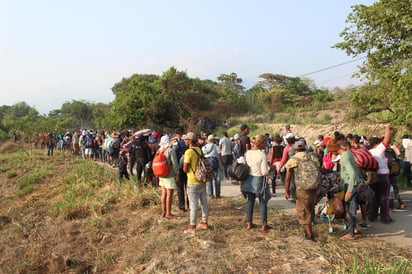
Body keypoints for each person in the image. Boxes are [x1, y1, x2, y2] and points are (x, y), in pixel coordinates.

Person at [326, 138, 361, 240]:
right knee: (351, 209)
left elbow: (352, 173)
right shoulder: (347, 153)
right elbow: (349, 171)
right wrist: (337, 175)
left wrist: (349, 191)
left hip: (351, 185)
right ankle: (354, 229)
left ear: (333, 150)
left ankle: (350, 234)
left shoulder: (344, 157)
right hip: (350, 184)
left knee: (350, 211)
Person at [284, 140, 319, 241]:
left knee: (303, 210)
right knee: (311, 207)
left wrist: (287, 191)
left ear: (295, 150)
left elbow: (288, 178)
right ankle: (311, 226)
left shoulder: (294, 159)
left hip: (302, 188)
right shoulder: (312, 157)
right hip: (314, 186)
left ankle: (309, 234)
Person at [243, 135, 271, 232]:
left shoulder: (248, 153)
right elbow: (264, 172)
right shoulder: (262, 154)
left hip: (249, 179)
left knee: (250, 201)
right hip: (259, 179)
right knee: (262, 202)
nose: (266, 144)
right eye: (265, 142)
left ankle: (249, 223)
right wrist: (272, 169)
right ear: (261, 143)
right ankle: (264, 224)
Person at [183, 132, 209, 233]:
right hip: (201, 180)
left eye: (186, 140)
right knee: (204, 203)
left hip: (192, 181)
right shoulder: (199, 150)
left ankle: (192, 227)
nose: (185, 141)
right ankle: (204, 222)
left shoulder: (188, 152)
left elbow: (185, 169)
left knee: (193, 205)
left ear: (190, 141)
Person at [368, 126, 393, 224]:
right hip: (383, 176)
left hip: (372, 177)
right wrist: (387, 129)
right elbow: (386, 139)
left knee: (373, 197)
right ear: (376, 144)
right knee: (383, 197)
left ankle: (372, 216)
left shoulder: (369, 152)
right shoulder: (379, 150)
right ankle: (385, 218)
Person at [158, 135, 179, 219]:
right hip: (169, 175)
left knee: (163, 193)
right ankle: (168, 213)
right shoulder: (170, 150)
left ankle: (163, 212)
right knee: (169, 194)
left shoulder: (160, 150)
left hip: (161, 175)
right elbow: (175, 164)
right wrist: (177, 174)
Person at [173, 129, 188, 212]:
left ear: (176, 134)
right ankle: (189, 205)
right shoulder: (185, 143)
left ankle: (181, 206)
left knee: (180, 188)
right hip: (187, 166)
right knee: (188, 187)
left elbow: (174, 154)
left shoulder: (175, 143)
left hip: (179, 167)